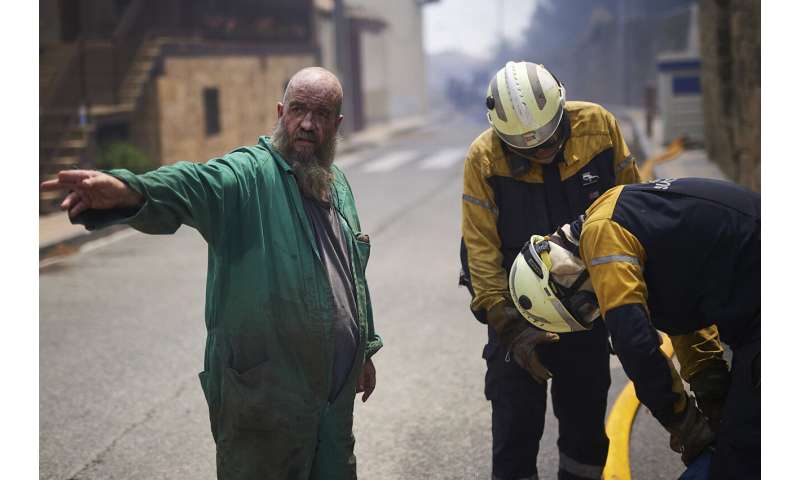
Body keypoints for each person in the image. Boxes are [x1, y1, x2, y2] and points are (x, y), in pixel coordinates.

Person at [40, 67, 382, 480]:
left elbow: (351, 274)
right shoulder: (249, 176)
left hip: (332, 405)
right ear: (280, 112)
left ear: (337, 124)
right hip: (267, 404)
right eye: (298, 110)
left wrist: (364, 349)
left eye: (321, 114)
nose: (307, 124)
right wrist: (131, 190)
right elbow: (195, 183)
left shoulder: (338, 184)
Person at [460, 60, 641, 480]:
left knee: (585, 433)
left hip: (588, 310)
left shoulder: (599, 127)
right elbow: (480, 250)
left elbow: (634, 211)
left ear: (561, 105)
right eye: (528, 148)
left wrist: (629, 300)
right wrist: (508, 325)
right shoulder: (484, 158)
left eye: (549, 139)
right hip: (515, 312)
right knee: (514, 430)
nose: (543, 152)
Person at [508, 177, 759, 479]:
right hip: (753, 308)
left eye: (584, 305)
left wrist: (684, 425)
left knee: (742, 452)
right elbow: (686, 322)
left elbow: (636, 345)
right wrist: (714, 394)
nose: (596, 306)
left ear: (559, 273)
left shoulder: (601, 236)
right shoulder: (618, 216)